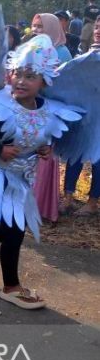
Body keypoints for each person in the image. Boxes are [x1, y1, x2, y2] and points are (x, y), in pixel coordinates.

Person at [0, 35, 83, 310]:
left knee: (9, 228)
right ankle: (11, 286)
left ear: (44, 82)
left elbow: (38, 135)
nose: (22, 81)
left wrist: (44, 149)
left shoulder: (47, 110)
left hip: (24, 177)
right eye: (18, 74)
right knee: (14, 230)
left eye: (31, 76)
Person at [30, 13, 70, 222]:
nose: (36, 30)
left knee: (43, 158)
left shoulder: (62, 53)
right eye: (34, 26)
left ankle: (39, 206)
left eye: (41, 26)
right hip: (29, 110)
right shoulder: (31, 49)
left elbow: (63, 87)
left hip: (49, 113)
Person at [60, 16, 100, 216]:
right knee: (75, 154)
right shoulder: (87, 53)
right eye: (97, 26)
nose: (98, 30)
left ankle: (92, 202)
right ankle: (67, 197)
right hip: (84, 114)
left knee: (98, 159)